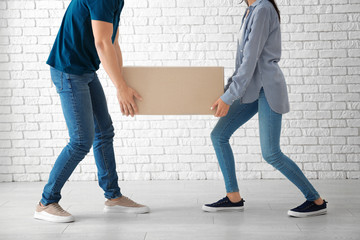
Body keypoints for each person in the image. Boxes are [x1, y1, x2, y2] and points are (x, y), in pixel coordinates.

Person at [202, 0, 327, 217]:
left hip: (267, 89)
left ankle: (315, 200)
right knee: (219, 136)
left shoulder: (263, 10)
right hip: (250, 89)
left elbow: (250, 60)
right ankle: (233, 197)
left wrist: (229, 96)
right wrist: (227, 91)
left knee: (271, 153)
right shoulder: (251, 11)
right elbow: (242, 61)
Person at [34, 0, 149, 223]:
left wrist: (122, 83)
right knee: (80, 141)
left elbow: (112, 40)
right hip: (68, 70)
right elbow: (102, 43)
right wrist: (120, 87)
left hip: (85, 69)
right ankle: (46, 202)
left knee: (104, 132)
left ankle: (113, 197)